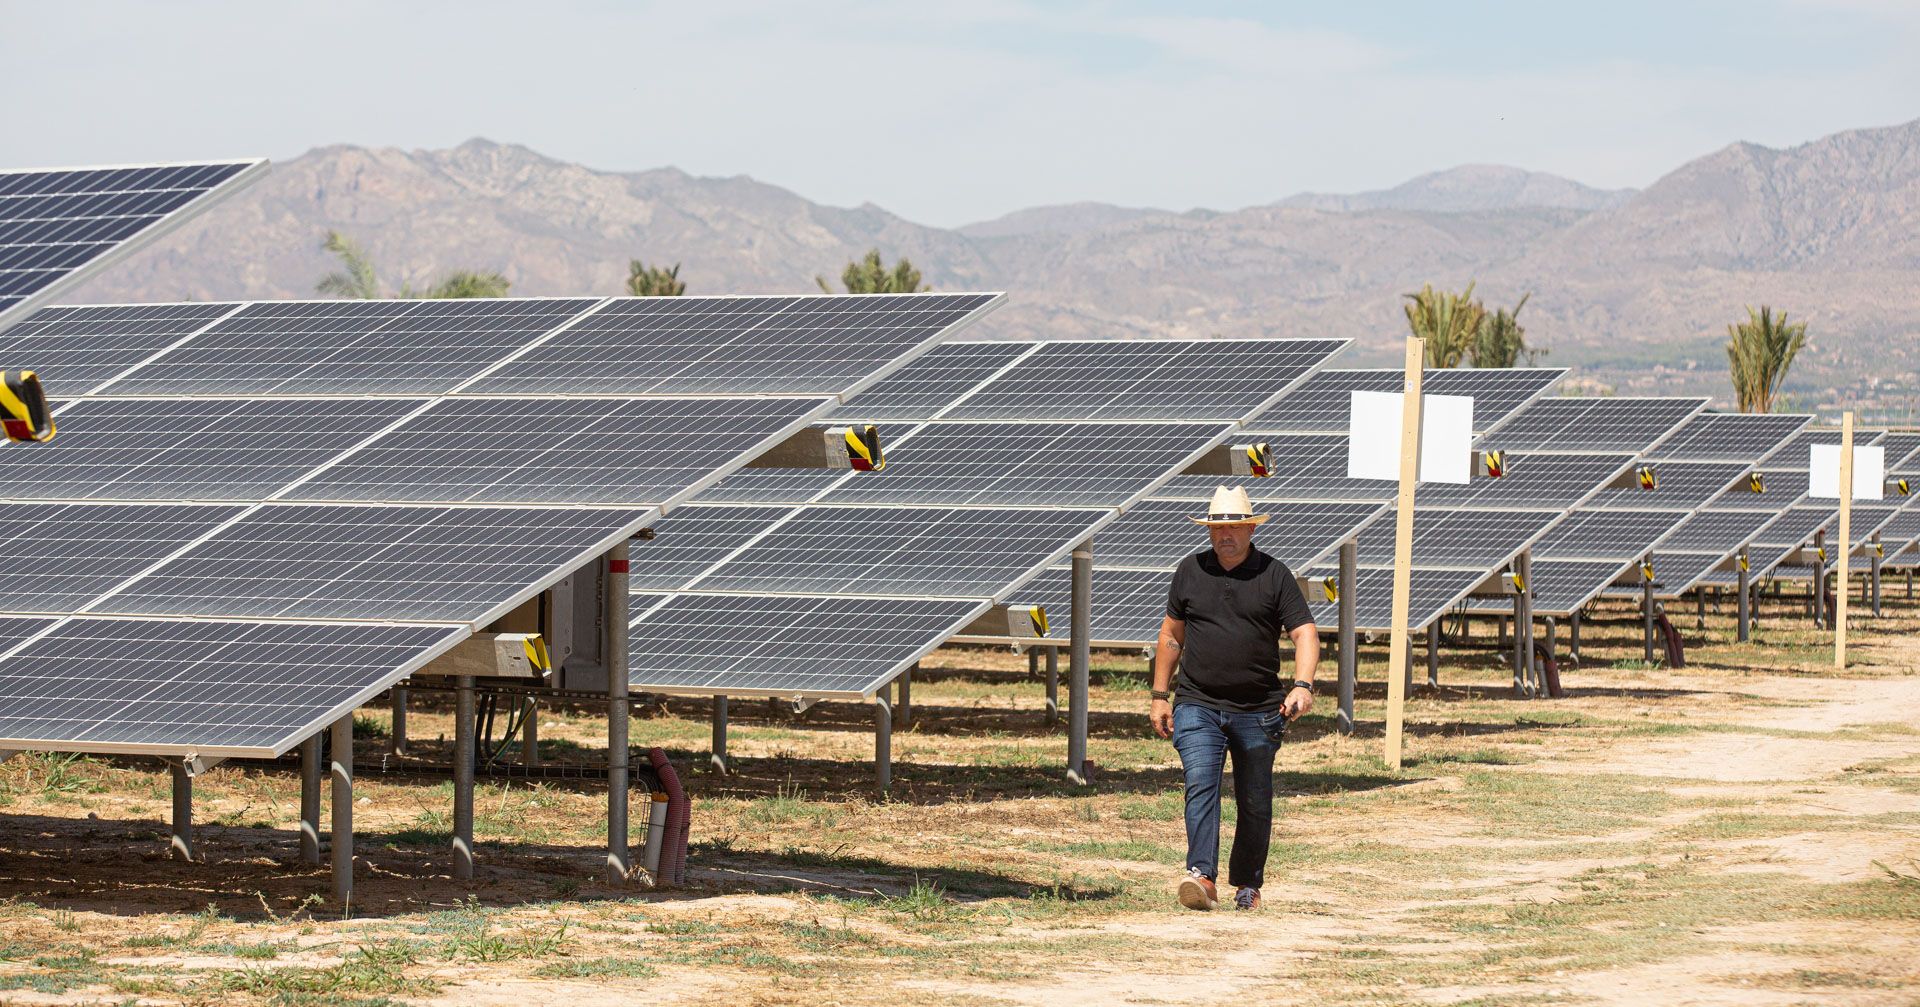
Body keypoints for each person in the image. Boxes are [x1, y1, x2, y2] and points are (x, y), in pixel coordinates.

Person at [1149, 485, 1321, 911]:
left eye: (1233, 527)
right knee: (1201, 783)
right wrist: (1159, 694)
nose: (1224, 534)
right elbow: (1171, 635)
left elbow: (1305, 633)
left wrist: (1303, 685)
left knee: (1254, 797)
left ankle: (1247, 884)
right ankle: (1201, 877)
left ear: (1250, 528)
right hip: (1197, 703)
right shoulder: (1190, 571)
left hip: (1260, 710)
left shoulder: (1274, 575)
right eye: (1216, 527)